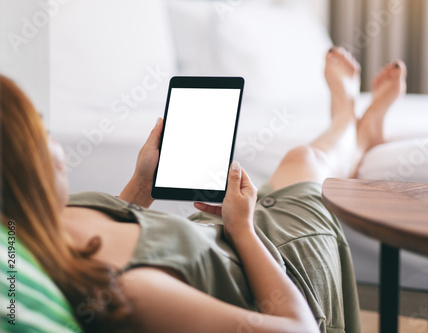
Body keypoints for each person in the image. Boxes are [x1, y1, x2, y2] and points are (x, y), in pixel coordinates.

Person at [0, 47, 406, 333]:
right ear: (22, 163)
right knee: (304, 161)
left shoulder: (33, 233)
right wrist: (244, 231)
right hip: (283, 262)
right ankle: (351, 121)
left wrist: (143, 185)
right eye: (40, 130)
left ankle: (355, 129)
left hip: (229, 230)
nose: (56, 146)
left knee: (298, 165)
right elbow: (296, 328)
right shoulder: (130, 291)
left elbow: (105, 233)